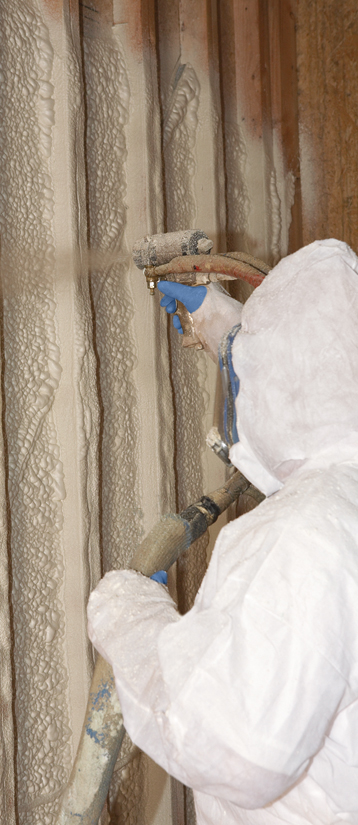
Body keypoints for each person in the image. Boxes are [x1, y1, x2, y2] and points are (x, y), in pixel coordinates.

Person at [87, 239, 358, 824]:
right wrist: (229, 330)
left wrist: (131, 618)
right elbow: (323, 383)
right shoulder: (340, 500)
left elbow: (242, 740)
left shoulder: (309, 536)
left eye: (251, 369)